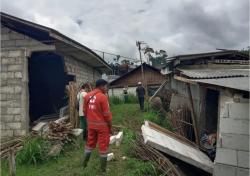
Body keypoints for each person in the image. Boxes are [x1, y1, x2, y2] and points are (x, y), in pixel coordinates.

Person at [82, 79, 112, 173]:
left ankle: (84, 164)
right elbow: (107, 115)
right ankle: (103, 170)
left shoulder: (87, 96)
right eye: (106, 86)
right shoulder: (102, 97)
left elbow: (84, 111)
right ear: (101, 86)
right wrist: (110, 127)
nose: (106, 88)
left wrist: (90, 121)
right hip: (102, 127)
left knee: (89, 144)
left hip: (91, 126)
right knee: (103, 147)